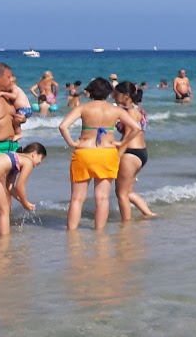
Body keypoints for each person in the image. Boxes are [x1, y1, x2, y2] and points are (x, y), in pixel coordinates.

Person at [59, 77, 140, 230]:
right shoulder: (116, 110)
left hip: (84, 152)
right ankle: (99, 233)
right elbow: (136, 128)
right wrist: (122, 143)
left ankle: (71, 233)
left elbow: (63, 126)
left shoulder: (83, 108)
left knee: (77, 199)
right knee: (102, 198)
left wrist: (72, 143)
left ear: (90, 92)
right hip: (107, 154)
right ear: (109, 93)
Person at [0, 142, 46, 237]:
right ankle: (4, 243)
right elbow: (20, 186)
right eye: (41, 158)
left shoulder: (15, 156)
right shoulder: (28, 161)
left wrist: (23, 202)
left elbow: (10, 187)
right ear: (34, 154)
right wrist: (25, 203)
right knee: (4, 212)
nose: (40, 162)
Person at [113, 81, 157, 221]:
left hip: (130, 152)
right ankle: (148, 214)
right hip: (141, 152)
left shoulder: (131, 113)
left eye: (116, 93)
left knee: (121, 193)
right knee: (128, 191)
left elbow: (128, 134)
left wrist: (118, 155)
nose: (113, 96)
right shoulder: (139, 109)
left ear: (126, 95)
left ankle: (126, 223)